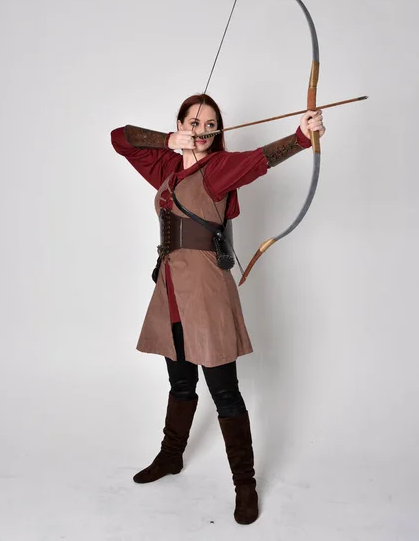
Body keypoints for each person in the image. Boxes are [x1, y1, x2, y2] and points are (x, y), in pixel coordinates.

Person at [111, 94, 325, 525]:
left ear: (217, 131)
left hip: (207, 291)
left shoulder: (219, 170)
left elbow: (261, 159)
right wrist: (169, 141)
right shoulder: (166, 167)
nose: (202, 128)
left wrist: (302, 136)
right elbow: (120, 139)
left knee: (224, 392)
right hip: (170, 288)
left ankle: (244, 484)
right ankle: (171, 457)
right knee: (180, 381)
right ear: (180, 124)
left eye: (210, 123)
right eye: (194, 121)